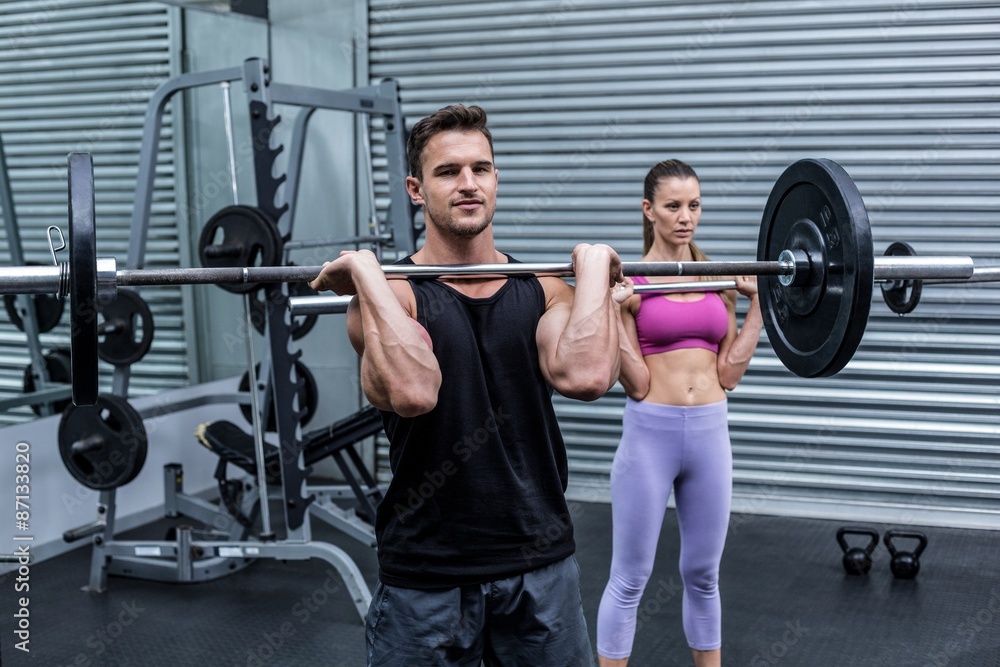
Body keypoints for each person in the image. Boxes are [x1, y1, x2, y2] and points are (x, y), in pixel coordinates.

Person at [310, 104, 624, 666]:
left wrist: (595, 265)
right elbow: (413, 391)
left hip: (539, 563)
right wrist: (368, 273)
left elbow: (587, 376)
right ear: (416, 189)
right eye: (448, 171)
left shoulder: (545, 288)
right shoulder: (394, 297)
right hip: (426, 577)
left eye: (480, 168)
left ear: (496, 178)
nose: (468, 184)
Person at [596, 159, 763, 667]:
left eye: (694, 205)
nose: (685, 216)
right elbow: (638, 383)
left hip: (711, 435)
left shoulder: (719, 280)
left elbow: (729, 374)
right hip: (651, 437)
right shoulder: (632, 284)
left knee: (704, 575)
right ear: (649, 210)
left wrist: (759, 305)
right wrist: (612, 310)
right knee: (630, 578)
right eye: (673, 206)